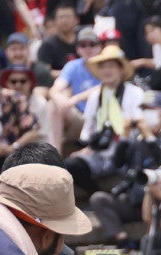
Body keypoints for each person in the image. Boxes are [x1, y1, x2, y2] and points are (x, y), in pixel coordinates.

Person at [88, 89, 161, 251]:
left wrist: (150, 137)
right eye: (143, 109)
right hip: (133, 199)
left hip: (158, 198)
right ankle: (124, 241)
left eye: (151, 109)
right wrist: (124, 137)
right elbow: (114, 165)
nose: (146, 114)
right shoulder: (134, 140)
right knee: (99, 199)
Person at [65, 45, 143, 195]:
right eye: (103, 67)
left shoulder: (135, 93)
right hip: (99, 150)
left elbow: (139, 126)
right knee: (71, 164)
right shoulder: (95, 96)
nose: (107, 71)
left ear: (121, 69)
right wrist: (87, 147)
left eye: (112, 66)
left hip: (125, 147)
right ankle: (98, 193)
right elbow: (88, 128)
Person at [44, 26, 101, 153]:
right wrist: (61, 98)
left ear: (99, 47)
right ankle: (55, 154)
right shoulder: (72, 66)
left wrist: (74, 99)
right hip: (79, 117)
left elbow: (104, 87)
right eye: (83, 45)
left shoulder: (106, 65)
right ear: (78, 49)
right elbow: (54, 89)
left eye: (92, 44)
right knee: (53, 104)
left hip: (100, 118)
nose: (88, 48)